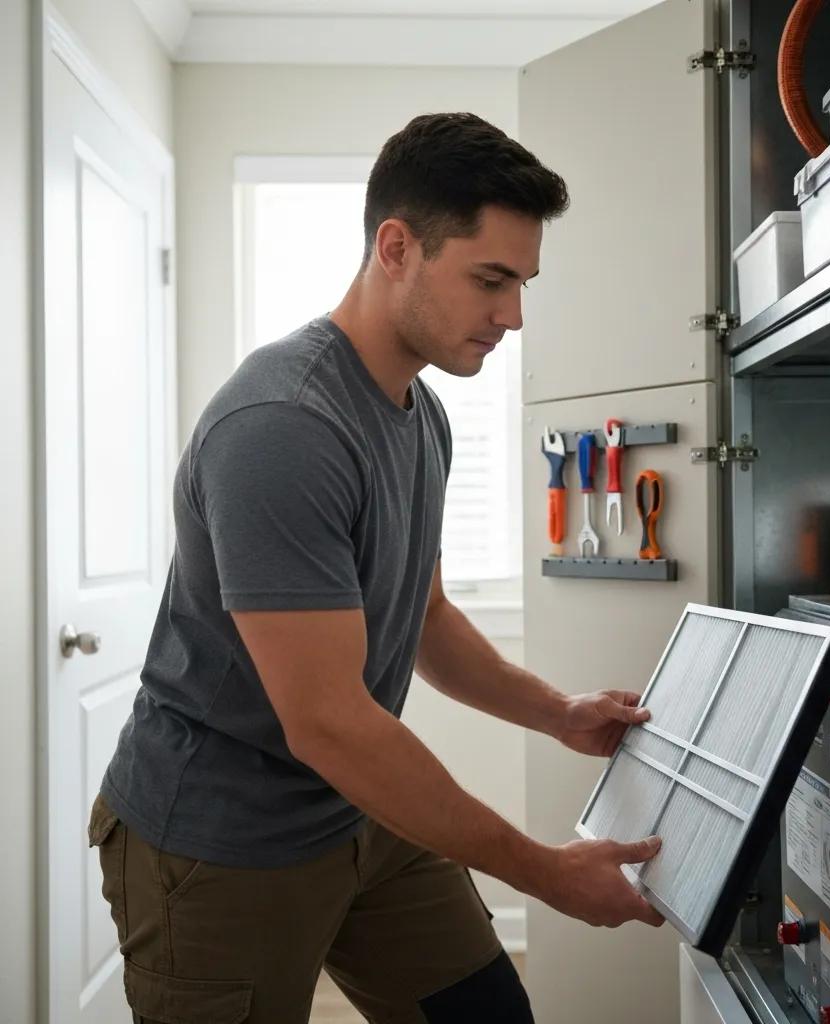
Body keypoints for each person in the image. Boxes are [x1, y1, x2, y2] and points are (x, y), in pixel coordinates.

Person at [89, 111, 663, 1024]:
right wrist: (545, 873)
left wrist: (557, 714)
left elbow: (422, 614)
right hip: (217, 844)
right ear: (396, 247)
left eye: (522, 283)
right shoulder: (283, 427)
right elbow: (328, 723)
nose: (513, 315)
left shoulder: (418, 414)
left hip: (357, 816)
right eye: (491, 279)